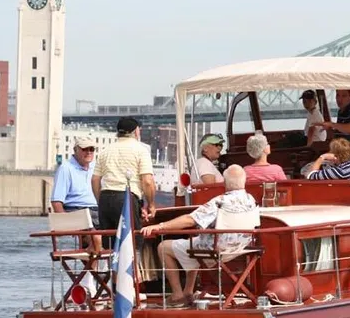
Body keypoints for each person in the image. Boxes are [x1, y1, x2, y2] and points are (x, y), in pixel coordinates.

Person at [140, 165, 256, 306]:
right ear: (244, 181)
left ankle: (177, 295)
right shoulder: (251, 200)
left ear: (225, 183)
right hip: (241, 247)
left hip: (216, 250)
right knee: (194, 243)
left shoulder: (220, 202)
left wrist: (160, 226)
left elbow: (190, 220)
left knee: (163, 247)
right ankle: (188, 292)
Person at [91, 117, 155, 247]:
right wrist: (151, 204)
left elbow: (95, 180)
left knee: (109, 244)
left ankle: (110, 267)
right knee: (132, 242)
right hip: (126, 198)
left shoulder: (105, 151)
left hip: (106, 198)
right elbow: (147, 181)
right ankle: (133, 266)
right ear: (136, 131)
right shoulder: (141, 150)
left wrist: (100, 200)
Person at [51, 136, 102, 252]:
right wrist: (66, 223)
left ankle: (94, 266)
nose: (89, 152)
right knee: (96, 239)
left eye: (91, 149)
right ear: (75, 150)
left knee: (123, 227)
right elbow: (56, 201)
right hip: (77, 211)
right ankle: (93, 267)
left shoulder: (96, 167)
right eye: (85, 149)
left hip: (97, 211)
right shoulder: (66, 168)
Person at [320, 89, 350, 161]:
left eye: (344, 96)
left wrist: (332, 124)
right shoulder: (341, 112)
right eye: (338, 95)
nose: (339, 99)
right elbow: (341, 132)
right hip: (342, 158)